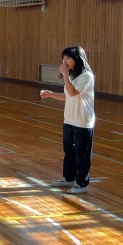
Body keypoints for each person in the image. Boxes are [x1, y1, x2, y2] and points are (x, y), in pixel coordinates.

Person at [40, 46, 94, 194]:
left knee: (82, 154)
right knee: (69, 152)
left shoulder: (86, 76)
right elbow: (67, 96)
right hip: (69, 120)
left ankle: (82, 184)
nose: (65, 61)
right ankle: (69, 178)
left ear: (77, 59)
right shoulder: (72, 75)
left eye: (68, 58)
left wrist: (65, 75)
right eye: (64, 58)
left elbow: (72, 92)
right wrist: (51, 94)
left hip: (83, 121)